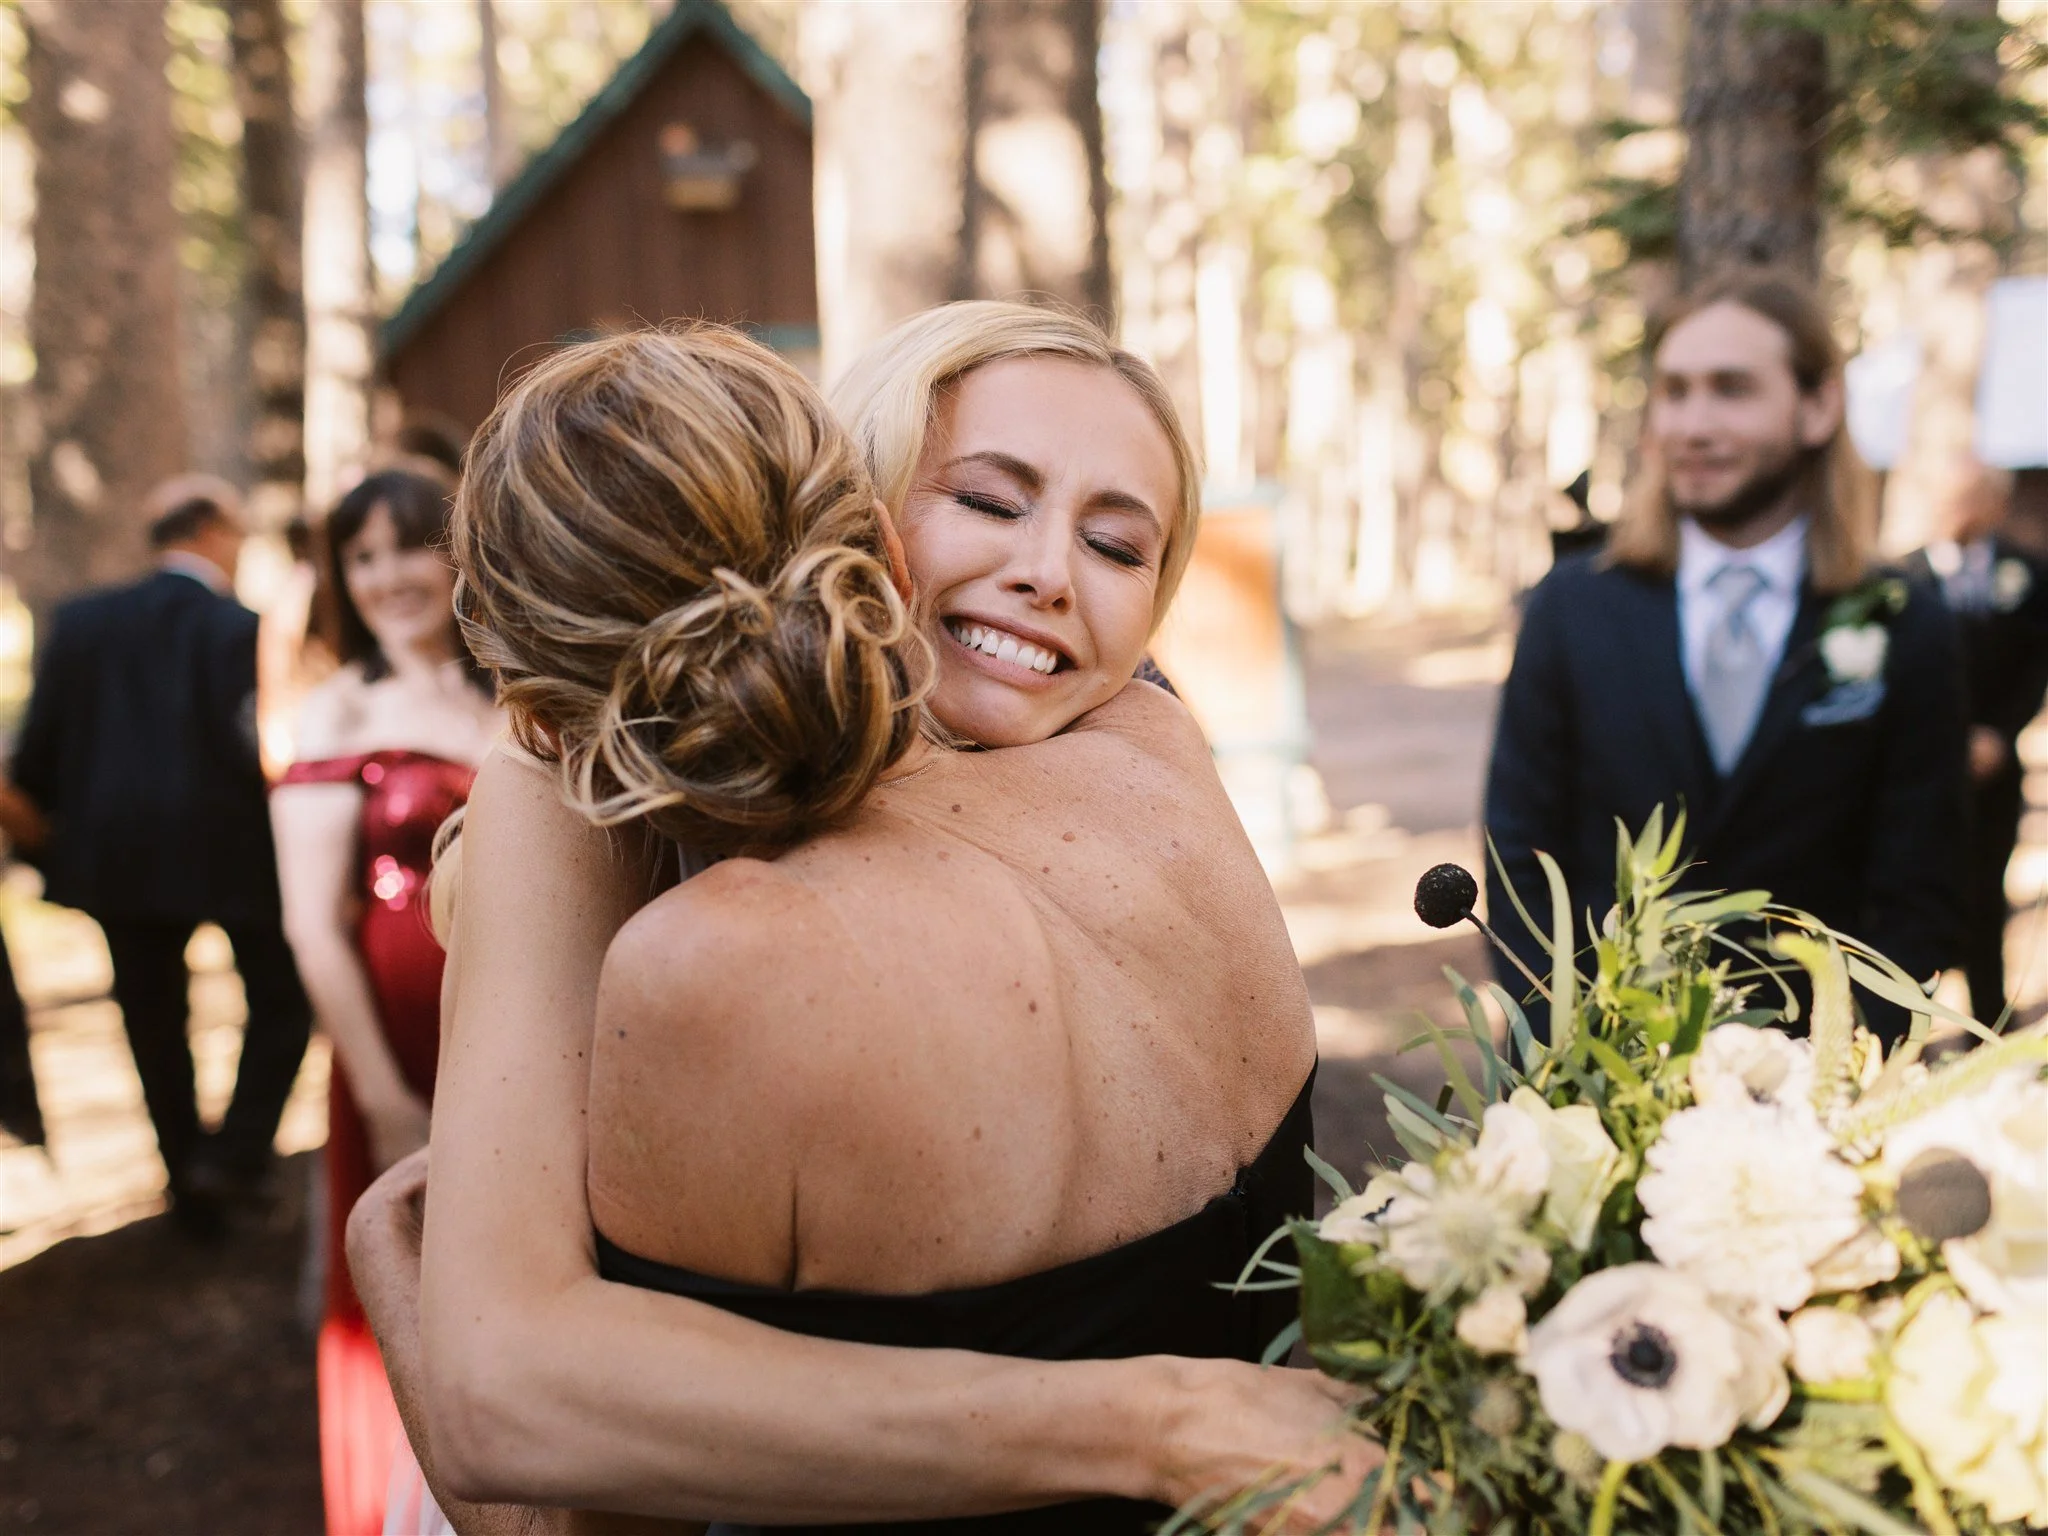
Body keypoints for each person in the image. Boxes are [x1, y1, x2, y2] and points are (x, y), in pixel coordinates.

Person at [347, 308, 1374, 1534]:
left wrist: (390, 1262)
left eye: (1115, 542)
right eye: (989, 503)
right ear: (872, 524)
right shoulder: (1158, 752)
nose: (1047, 572)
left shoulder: (720, 962)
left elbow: (554, 1497)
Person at [1485, 268, 1968, 1042]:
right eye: (1674, 391)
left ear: (1817, 407)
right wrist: (1582, 1056)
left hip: (1813, 1101)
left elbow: (1920, 892)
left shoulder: (1905, 620)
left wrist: (1827, 1085)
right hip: (1585, 1088)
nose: (1692, 424)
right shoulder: (1570, 609)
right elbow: (1519, 861)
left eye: (1730, 389)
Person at [270, 468, 501, 1536]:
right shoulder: (338, 711)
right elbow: (313, 927)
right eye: (360, 557)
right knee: (406, 1286)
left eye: (407, 546)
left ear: (458, 551)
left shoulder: (507, 686)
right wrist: (382, 1092)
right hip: (399, 1052)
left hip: (514, 1026)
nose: (386, 577)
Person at [8, 476, 313, 1230]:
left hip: (116, 860)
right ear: (212, 530)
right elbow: (262, 747)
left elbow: (39, 747)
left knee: (152, 1023)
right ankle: (233, 1156)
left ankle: (190, 1185)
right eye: (237, 534)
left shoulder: (82, 623)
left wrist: (47, 835)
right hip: (235, 855)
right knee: (283, 999)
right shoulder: (241, 627)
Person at [1906, 455, 2048, 1024]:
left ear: (1992, 503)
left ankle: (1987, 1020)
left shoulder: (2028, 574)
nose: (1955, 511)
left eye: (1968, 498)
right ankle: (1908, 1022)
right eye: (1947, 497)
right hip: (1919, 772)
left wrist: (1999, 733)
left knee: (1987, 892)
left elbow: (2037, 662)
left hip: (1994, 768)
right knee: (1917, 889)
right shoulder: (1902, 576)